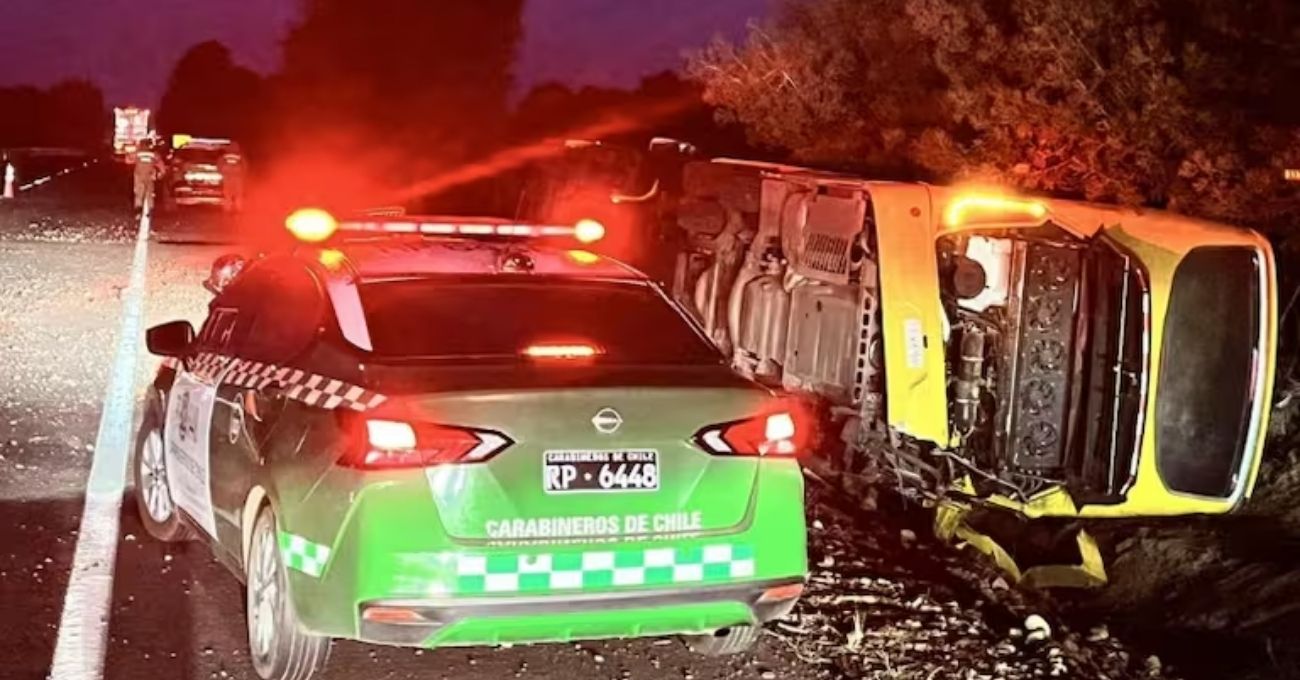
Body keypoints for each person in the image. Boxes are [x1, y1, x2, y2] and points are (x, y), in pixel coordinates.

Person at [133, 140, 166, 214]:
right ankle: (150, 208)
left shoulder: (138, 153)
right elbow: (160, 164)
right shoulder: (154, 154)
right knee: (149, 192)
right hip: (149, 175)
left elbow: (128, 160)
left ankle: (138, 208)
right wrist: (162, 173)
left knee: (139, 192)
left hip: (139, 175)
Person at [219, 144, 245, 213]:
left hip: (227, 177)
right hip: (237, 177)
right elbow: (244, 165)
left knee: (227, 194)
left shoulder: (224, 156)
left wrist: (222, 173)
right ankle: (239, 209)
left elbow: (220, 165)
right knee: (238, 194)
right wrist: (242, 174)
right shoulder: (240, 156)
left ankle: (227, 209)